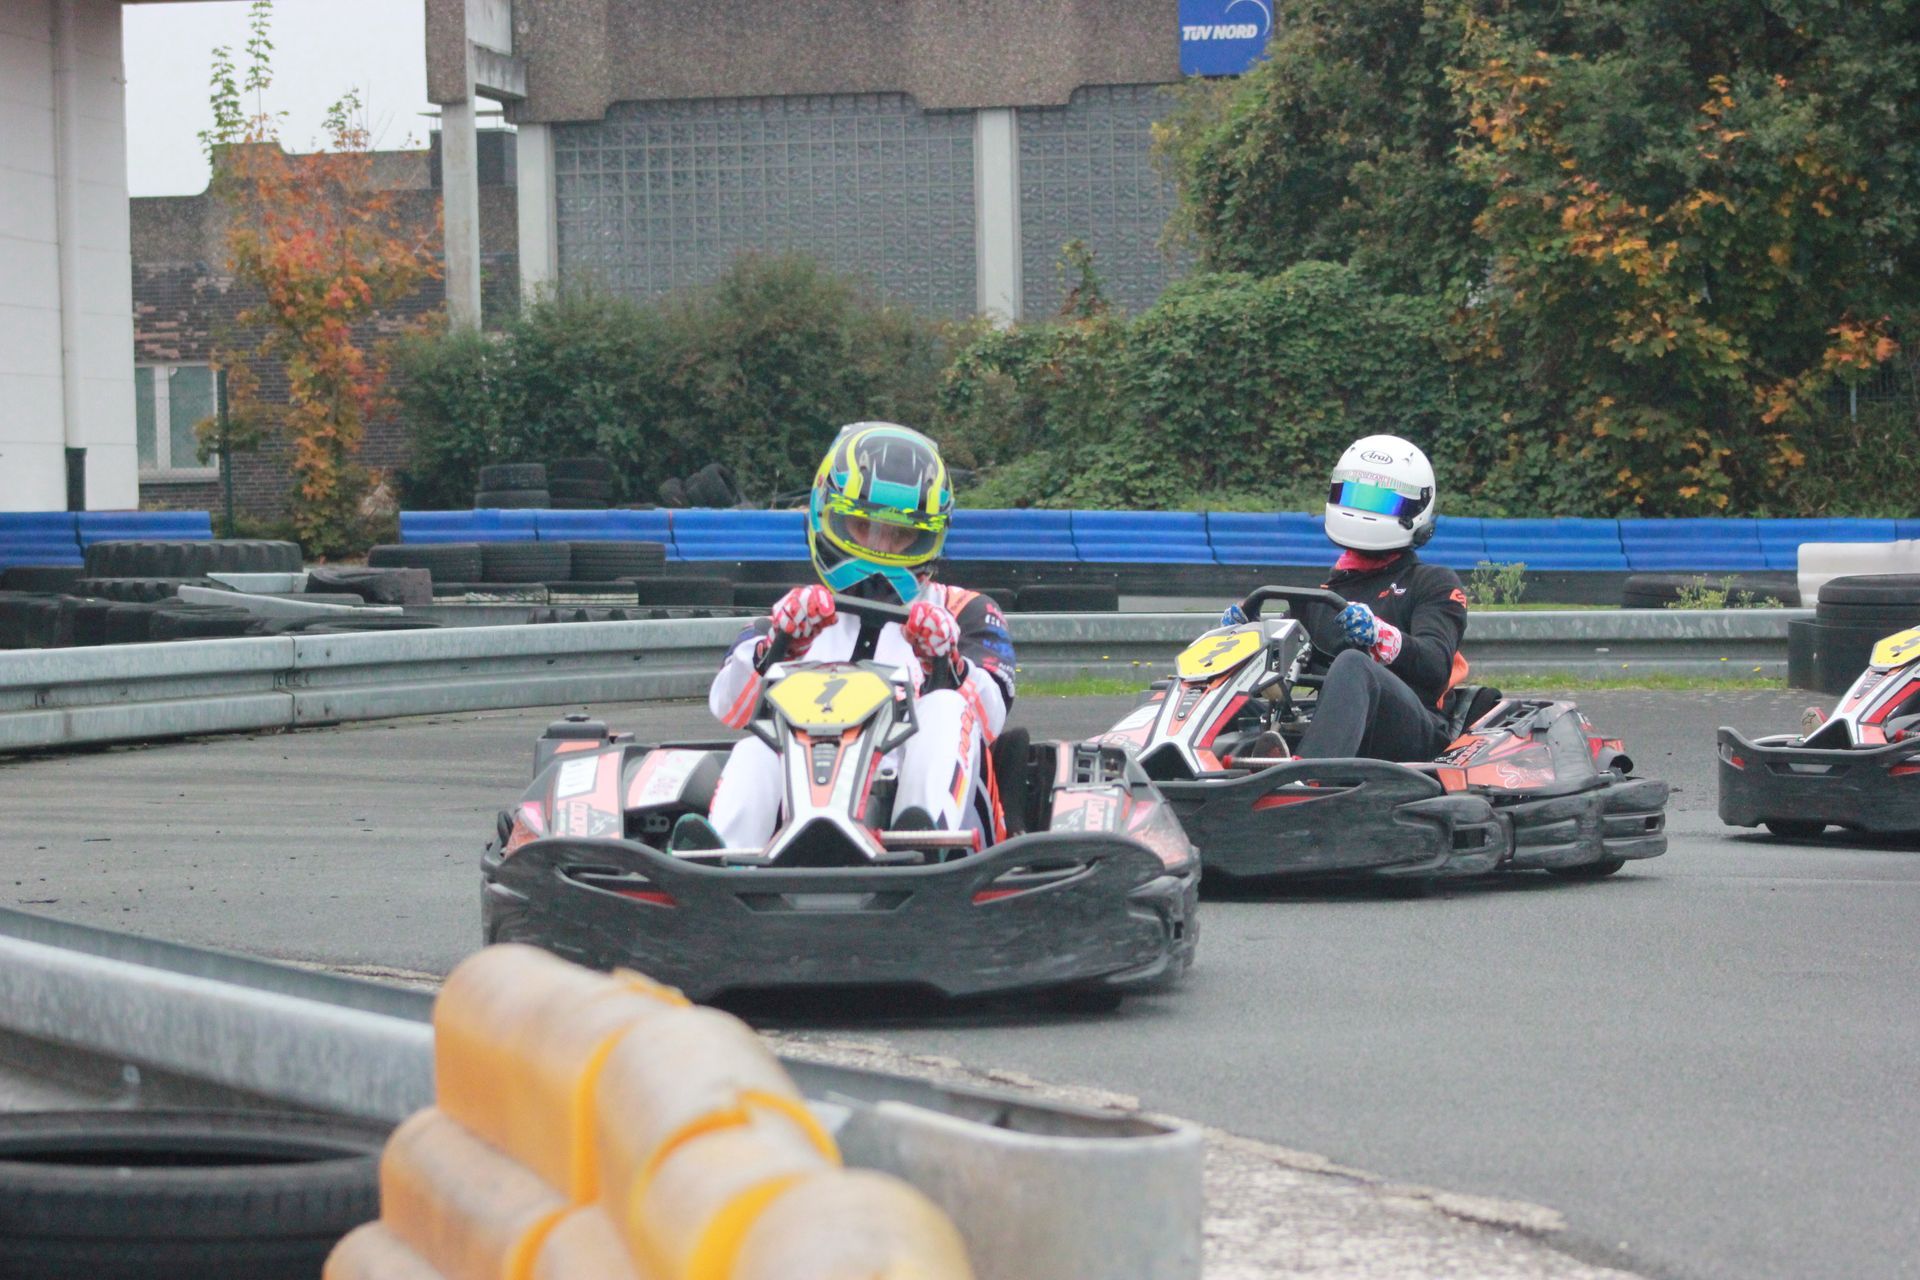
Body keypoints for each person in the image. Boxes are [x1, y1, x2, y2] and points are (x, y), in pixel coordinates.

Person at [672, 423, 1017, 851]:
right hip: (804, 803)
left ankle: (926, 846)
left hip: (930, 820)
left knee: (946, 708)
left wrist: (945, 663)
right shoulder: (796, 616)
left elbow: (991, 718)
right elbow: (730, 708)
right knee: (757, 747)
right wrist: (779, 646)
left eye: (901, 534)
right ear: (827, 513)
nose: (881, 546)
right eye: (862, 525)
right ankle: (724, 860)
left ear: (929, 536)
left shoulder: (966, 611)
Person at [1222, 434, 1468, 762]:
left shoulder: (1432, 582)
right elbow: (1295, 665)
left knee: (1354, 663)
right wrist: (1247, 635)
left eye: (1381, 502)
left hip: (1415, 730)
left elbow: (1435, 666)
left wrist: (1382, 637)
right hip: (1342, 726)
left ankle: (1306, 777)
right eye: (1354, 497)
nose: (1362, 510)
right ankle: (1174, 762)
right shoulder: (1326, 597)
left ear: (1415, 509)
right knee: (1228, 693)